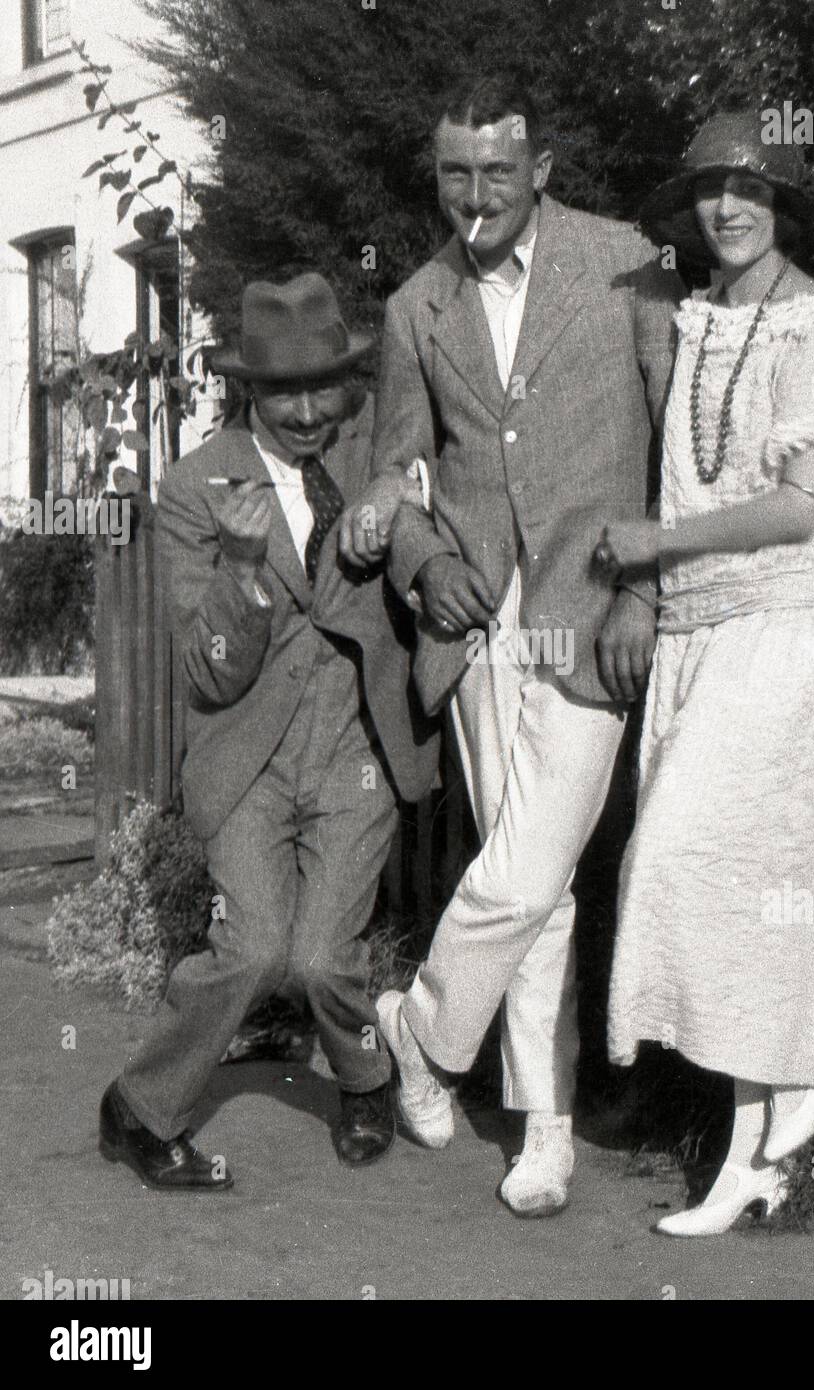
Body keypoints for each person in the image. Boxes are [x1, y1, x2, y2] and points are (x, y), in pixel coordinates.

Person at [339, 74, 682, 1217]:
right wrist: (426, 563)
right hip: (478, 619)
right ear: (434, 176)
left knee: (529, 864)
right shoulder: (413, 309)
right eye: (454, 173)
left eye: (497, 171)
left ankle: (420, 1027)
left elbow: (677, 443)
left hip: (588, 611)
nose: (475, 195)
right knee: (532, 884)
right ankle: (546, 1126)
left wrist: (649, 588)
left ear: (541, 170)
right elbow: (395, 473)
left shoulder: (628, 263)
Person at [595, 108, 814, 1235]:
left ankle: (789, 1110)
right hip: (705, 635)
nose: (727, 206)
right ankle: (759, 1142)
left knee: (685, 853)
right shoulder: (701, 319)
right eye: (712, 188)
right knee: (728, 895)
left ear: (783, 206)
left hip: (789, 630)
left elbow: (797, 505)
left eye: (750, 190)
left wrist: (654, 546)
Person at [99, 272, 438, 1189]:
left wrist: (398, 504)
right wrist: (243, 573)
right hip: (246, 752)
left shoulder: (375, 449)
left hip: (356, 747)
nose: (304, 410)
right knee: (252, 952)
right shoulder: (194, 485)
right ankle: (139, 1108)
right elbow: (208, 668)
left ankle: (364, 1075)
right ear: (248, 387)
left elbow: (430, 484)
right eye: (281, 390)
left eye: (322, 385)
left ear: (348, 384)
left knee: (327, 960)